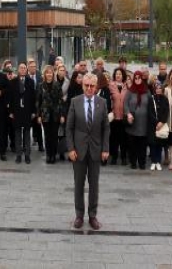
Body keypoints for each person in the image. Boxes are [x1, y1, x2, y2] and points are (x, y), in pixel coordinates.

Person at [66, 73, 110, 230]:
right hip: (78, 151)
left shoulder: (102, 102)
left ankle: (92, 215)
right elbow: (69, 127)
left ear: (96, 86)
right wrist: (70, 148)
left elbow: (106, 127)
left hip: (96, 151)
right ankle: (79, 215)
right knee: (78, 184)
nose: (89, 89)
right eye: (86, 86)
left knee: (94, 185)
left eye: (92, 86)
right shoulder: (74, 102)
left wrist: (105, 148)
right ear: (82, 85)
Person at [8, 62, 36, 164]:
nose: (23, 69)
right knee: (18, 133)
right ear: (18, 70)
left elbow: (33, 98)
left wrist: (33, 111)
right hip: (17, 110)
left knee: (27, 133)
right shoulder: (13, 82)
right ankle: (19, 155)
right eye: (21, 68)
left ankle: (27, 155)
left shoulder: (30, 82)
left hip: (27, 110)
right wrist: (11, 111)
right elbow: (10, 98)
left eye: (24, 68)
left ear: (27, 69)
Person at [36, 65, 65, 164]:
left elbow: (61, 101)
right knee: (47, 136)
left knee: (54, 136)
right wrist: (38, 115)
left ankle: (53, 155)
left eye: (51, 73)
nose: (49, 74)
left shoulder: (57, 85)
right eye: (47, 73)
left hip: (56, 114)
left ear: (53, 74)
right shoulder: (41, 85)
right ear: (45, 74)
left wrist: (62, 115)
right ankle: (48, 155)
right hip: (45, 114)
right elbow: (38, 102)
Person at [124, 71, 150, 170]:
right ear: (134, 79)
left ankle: (142, 163)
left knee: (142, 145)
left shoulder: (146, 91)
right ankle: (133, 162)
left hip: (144, 122)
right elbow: (125, 104)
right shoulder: (130, 91)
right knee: (133, 144)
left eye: (139, 78)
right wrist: (128, 113)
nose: (138, 80)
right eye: (136, 78)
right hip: (133, 121)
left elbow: (151, 104)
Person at [108, 68, 128, 165]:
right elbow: (109, 99)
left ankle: (124, 157)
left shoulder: (126, 86)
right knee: (114, 139)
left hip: (123, 117)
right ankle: (114, 157)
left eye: (120, 74)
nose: (118, 75)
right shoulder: (111, 85)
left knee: (123, 139)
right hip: (114, 117)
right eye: (116, 74)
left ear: (123, 75)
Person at [148, 81, 169, 171]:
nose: (158, 90)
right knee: (153, 144)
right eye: (157, 88)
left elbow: (166, 112)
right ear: (154, 89)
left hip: (161, 125)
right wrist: (156, 123)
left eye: (160, 88)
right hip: (153, 126)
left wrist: (161, 122)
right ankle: (153, 162)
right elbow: (150, 112)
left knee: (160, 145)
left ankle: (158, 162)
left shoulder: (165, 99)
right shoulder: (151, 98)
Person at [27, 60, 44, 152]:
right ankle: (26, 146)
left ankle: (41, 145)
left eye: (34, 66)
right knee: (26, 127)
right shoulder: (25, 77)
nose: (33, 68)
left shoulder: (39, 77)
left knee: (38, 126)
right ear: (28, 68)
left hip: (37, 105)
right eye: (31, 66)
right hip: (28, 106)